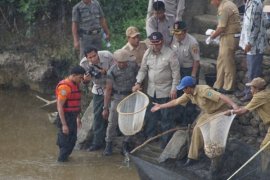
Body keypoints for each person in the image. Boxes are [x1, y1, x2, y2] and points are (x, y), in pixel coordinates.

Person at [151, 76, 239, 166]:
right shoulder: (188, 94)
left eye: (183, 88)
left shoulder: (204, 91)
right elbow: (176, 102)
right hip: (208, 113)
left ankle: (215, 162)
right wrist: (160, 106)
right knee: (197, 129)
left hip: (219, 111)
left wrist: (234, 105)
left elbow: (221, 96)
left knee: (213, 135)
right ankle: (192, 157)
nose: (183, 91)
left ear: (189, 87)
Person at [132, 32, 180, 148]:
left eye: (157, 44)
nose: (155, 46)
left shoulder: (170, 54)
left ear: (162, 42)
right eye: (152, 43)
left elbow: (176, 73)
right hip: (151, 90)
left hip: (165, 91)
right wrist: (138, 82)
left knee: (166, 117)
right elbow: (143, 70)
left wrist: (174, 89)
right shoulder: (148, 53)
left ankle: (165, 142)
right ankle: (150, 138)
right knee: (151, 116)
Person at [226, 77, 270, 178]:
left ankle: (264, 173)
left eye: (251, 88)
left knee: (265, 148)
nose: (250, 90)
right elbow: (245, 107)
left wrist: (231, 112)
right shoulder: (266, 93)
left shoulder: (259, 97)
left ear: (256, 88)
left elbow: (243, 111)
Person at [102, 49, 139, 156]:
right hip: (117, 96)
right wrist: (105, 107)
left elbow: (140, 78)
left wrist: (138, 87)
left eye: (124, 62)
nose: (122, 64)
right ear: (115, 61)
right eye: (119, 62)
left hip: (131, 96)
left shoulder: (133, 66)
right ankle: (108, 144)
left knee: (130, 121)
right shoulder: (112, 71)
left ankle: (125, 144)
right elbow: (108, 90)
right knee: (112, 121)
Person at [80, 47, 114, 151]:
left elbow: (118, 69)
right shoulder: (83, 64)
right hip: (99, 88)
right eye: (90, 57)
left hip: (114, 86)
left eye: (94, 56)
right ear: (86, 58)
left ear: (97, 53)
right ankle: (97, 142)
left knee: (114, 114)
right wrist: (85, 80)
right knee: (98, 116)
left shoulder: (107, 55)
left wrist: (105, 72)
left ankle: (111, 140)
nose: (93, 59)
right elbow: (82, 81)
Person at [170, 21, 201, 125]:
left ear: (185, 32)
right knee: (179, 94)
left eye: (179, 33)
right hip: (178, 69)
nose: (177, 35)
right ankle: (178, 117)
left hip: (189, 70)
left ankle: (188, 120)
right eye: (175, 33)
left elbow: (196, 61)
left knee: (189, 96)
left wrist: (193, 76)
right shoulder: (174, 39)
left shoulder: (192, 43)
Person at [237, 0, 267, 102]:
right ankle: (247, 91)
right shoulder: (249, 2)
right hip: (249, 43)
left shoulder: (255, 4)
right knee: (250, 71)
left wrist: (249, 43)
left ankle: (251, 93)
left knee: (253, 72)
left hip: (255, 45)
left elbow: (255, 26)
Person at [55, 66, 86, 162]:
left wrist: (77, 118)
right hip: (66, 117)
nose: (81, 80)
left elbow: (75, 104)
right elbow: (59, 106)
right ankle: (61, 165)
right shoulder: (65, 87)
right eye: (80, 77)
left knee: (72, 140)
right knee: (65, 142)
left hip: (72, 117)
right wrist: (64, 125)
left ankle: (65, 160)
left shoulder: (75, 84)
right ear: (73, 75)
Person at [210, 0, 241, 94]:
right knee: (221, 61)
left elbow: (222, 27)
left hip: (229, 36)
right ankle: (219, 84)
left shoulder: (224, 8)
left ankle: (229, 87)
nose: (211, 3)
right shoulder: (227, 4)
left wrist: (212, 36)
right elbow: (221, 25)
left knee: (228, 62)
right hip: (227, 36)